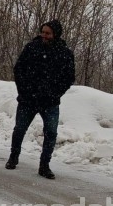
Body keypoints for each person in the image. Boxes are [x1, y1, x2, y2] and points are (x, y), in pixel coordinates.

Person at [5, 20, 75, 180]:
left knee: (51, 133)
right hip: (28, 99)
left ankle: (44, 165)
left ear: (55, 35)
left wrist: (55, 93)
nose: (44, 35)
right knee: (20, 129)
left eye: (48, 33)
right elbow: (19, 69)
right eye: (43, 32)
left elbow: (69, 78)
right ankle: (13, 157)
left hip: (50, 102)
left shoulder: (65, 53)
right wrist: (23, 90)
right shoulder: (31, 48)